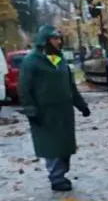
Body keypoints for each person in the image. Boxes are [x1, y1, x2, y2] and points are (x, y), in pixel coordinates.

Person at [18, 25, 91, 192]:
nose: (58, 42)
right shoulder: (32, 61)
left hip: (64, 112)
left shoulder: (60, 60)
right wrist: (30, 109)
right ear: (45, 40)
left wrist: (82, 106)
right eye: (55, 38)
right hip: (45, 113)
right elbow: (24, 88)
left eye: (59, 38)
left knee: (65, 146)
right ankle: (56, 178)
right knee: (51, 146)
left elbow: (70, 86)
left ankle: (62, 173)